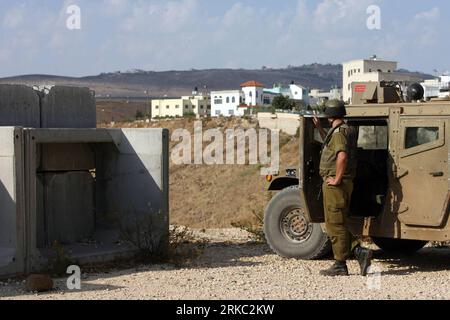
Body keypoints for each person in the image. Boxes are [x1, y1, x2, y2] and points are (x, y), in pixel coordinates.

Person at [313, 100, 373, 277]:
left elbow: (342, 156)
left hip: (337, 184)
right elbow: (331, 145)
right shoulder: (346, 130)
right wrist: (320, 129)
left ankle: (343, 262)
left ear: (330, 114)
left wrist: (337, 179)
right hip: (346, 182)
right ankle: (354, 255)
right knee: (339, 221)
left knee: (335, 224)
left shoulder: (339, 133)